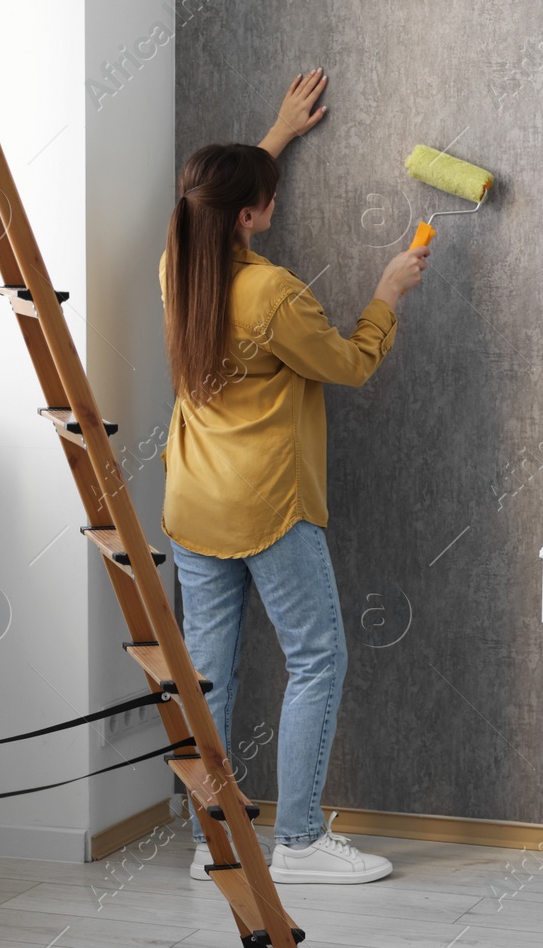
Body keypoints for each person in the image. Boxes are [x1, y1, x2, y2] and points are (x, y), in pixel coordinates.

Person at [157, 69, 429, 885]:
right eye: (265, 199)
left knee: (209, 674)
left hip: (192, 502)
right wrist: (387, 292)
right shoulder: (272, 293)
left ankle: (214, 843)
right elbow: (348, 363)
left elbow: (218, 200)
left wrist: (273, 138)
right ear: (250, 216)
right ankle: (302, 841)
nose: (271, 208)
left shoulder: (177, 266)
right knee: (318, 658)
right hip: (268, 505)